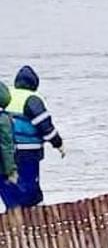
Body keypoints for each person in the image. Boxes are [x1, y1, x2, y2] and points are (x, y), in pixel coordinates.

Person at [7, 66, 64, 208]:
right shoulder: (33, 99)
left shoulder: (6, 95)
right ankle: (34, 214)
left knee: (10, 186)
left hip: (5, 150)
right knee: (30, 187)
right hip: (27, 151)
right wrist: (58, 144)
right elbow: (45, 126)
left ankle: (13, 214)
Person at [0, 82, 19, 211]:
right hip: (1, 170)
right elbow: (6, 147)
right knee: (12, 203)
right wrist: (10, 170)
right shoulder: (3, 119)